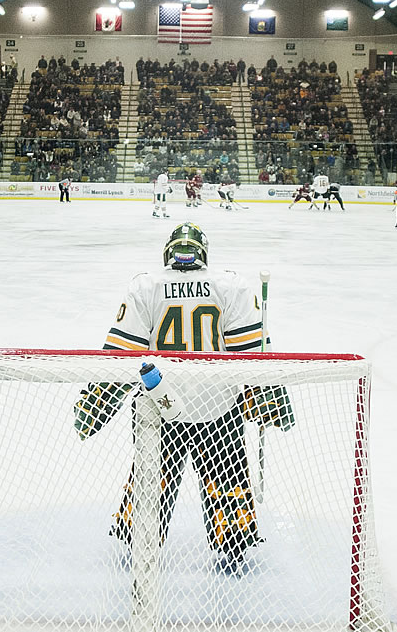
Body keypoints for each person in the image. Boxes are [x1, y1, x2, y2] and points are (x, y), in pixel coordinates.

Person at [75, 222, 291, 575]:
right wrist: (271, 401)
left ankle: (139, 538)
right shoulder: (230, 285)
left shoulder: (145, 286)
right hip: (218, 406)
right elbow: (250, 353)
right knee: (228, 478)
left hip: (159, 407)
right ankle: (234, 547)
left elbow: (122, 352)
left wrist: (95, 404)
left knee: (151, 478)